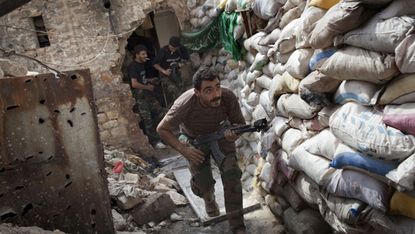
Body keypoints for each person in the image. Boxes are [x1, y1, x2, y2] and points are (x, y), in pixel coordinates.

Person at [156, 67, 246, 234]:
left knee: (232, 175)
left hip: (221, 138)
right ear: (197, 92)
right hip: (194, 140)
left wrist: (234, 134)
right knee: (203, 184)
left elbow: (239, 124)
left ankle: (237, 226)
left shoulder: (227, 96)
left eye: (218, 86)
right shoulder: (185, 103)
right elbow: (162, 129)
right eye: (208, 90)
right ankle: (209, 199)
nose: (216, 94)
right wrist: (184, 150)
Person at [128, 45, 167, 149]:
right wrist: (148, 87)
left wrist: (150, 80)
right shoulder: (133, 66)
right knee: (147, 120)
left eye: (146, 53)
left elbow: (141, 79)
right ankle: (155, 142)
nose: (145, 56)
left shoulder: (142, 64)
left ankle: (162, 136)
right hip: (141, 98)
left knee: (160, 113)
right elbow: (134, 84)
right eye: (143, 54)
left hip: (148, 95)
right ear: (137, 55)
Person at [153, 36, 189, 105]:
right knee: (174, 91)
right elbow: (155, 64)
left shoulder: (182, 49)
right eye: (171, 48)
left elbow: (187, 60)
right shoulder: (163, 51)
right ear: (169, 44)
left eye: (175, 48)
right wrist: (164, 71)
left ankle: (187, 106)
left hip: (176, 72)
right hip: (165, 74)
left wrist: (181, 64)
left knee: (183, 91)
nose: (173, 50)